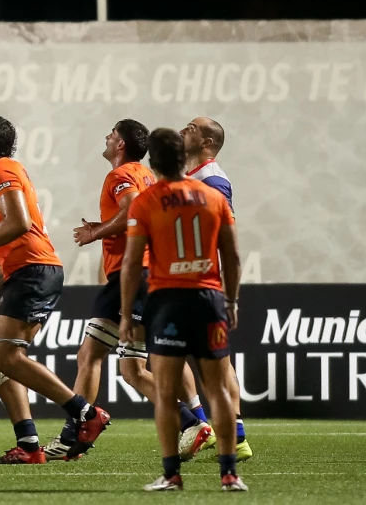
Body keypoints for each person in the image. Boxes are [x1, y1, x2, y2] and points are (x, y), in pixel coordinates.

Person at [0, 113, 110, 464]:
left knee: (7, 355)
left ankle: (85, 414)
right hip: (23, 271)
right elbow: (17, 240)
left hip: (35, 271)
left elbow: (19, 224)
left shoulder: (1, 170)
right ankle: (30, 444)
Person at [121, 128, 245, 492]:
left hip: (168, 302)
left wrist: (127, 313)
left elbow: (131, 265)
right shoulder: (213, 197)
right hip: (208, 299)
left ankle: (172, 474)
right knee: (219, 389)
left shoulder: (145, 201)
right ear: (180, 158)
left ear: (153, 161)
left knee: (166, 390)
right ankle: (229, 474)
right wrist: (232, 300)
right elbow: (233, 255)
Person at [45, 119, 156, 461]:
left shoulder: (120, 176)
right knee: (133, 369)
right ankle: (193, 423)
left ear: (121, 144)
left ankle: (72, 434)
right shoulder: (147, 175)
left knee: (89, 356)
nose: (107, 137)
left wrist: (95, 233)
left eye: (112, 134)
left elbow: (132, 210)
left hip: (130, 273)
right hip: (148, 272)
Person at [179, 116, 252, 462]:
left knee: (216, 367)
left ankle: (229, 436)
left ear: (207, 141)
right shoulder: (190, 177)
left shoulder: (214, 180)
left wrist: (230, 296)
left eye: (191, 128)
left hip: (200, 286)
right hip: (182, 284)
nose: (183, 130)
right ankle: (213, 431)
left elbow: (226, 240)